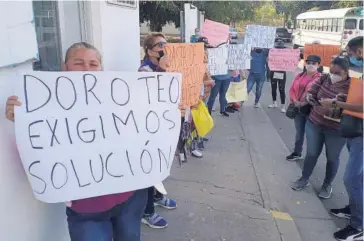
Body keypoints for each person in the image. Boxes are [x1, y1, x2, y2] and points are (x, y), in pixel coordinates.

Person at [5, 42, 148, 241]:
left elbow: (146, 126)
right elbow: (39, 148)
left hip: (129, 198)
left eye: (93, 64)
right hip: (86, 209)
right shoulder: (45, 103)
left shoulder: (121, 97)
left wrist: (172, 111)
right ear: (65, 67)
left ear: (101, 68)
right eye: (79, 63)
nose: (86, 69)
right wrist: (21, 120)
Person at [321, 36, 363, 241]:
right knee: (359, 179)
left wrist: (338, 105)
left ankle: (358, 226)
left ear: (360, 52)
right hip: (356, 130)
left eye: (351, 53)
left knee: (352, 178)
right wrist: (345, 100)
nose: (351, 57)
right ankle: (354, 209)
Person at [291, 57, 351, 200]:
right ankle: (304, 179)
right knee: (311, 154)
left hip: (336, 129)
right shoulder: (324, 78)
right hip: (315, 123)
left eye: (338, 73)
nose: (334, 75)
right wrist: (311, 98)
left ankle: (327, 185)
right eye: (332, 71)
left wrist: (335, 104)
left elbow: (354, 106)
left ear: (346, 72)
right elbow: (311, 91)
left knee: (332, 158)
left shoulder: (352, 86)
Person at [139, 33, 178, 228]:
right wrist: (162, 69)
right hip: (148, 130)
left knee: (161, 165)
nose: (164, 47)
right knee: (149, 169)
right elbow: (153, 94)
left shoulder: (170, 65)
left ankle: (157, 196)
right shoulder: (144, 69)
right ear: (150, 51)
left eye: (166, 43)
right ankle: (147, 212)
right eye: (160, 44)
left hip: (164, 125)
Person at [286, 55, 322, 161]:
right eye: (308, 63)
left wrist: (305, 102)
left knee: (311, 135)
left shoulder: (321, 79)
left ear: (318, 65)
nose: (310, 65)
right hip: (298, 109)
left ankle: (311, 157)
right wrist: (295, 100)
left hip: (311, 111)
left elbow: (319, 94)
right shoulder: (299, 75)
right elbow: (292, 89)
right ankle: (297, 152)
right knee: (299, 133)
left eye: (313, 63)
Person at [207, 43, 232, 116]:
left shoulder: (229, 55)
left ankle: (222, 110)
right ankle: (209, 111)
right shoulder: (214, 56)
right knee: (213, 96)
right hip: (217, 78)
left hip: (226, 77)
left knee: (223, 95)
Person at [268, 40, 288, 113]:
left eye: (280, 48)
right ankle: (274, 102)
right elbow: (268, 60)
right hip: (273, 72)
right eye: (278, 48)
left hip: (281, 73)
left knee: (281, 89)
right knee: (273, 88)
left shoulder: (286, 55)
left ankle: (283, 106)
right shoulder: (273, 53)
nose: (279, 49)